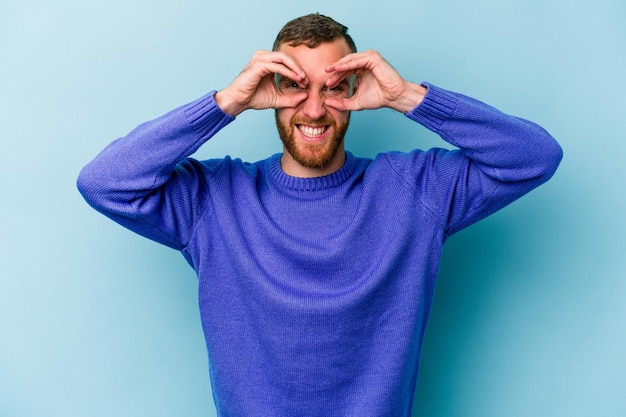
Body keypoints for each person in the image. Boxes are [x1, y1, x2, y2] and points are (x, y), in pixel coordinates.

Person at [77, 13, 562, 417]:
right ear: (268, 89)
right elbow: (105, 182)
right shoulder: (213, 200)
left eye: (332, 88)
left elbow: (534, 155)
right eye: (293, 87)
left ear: (356, 90)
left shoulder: (415, 190)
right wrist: (227, 102)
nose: (313, 109)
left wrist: (407, 97)